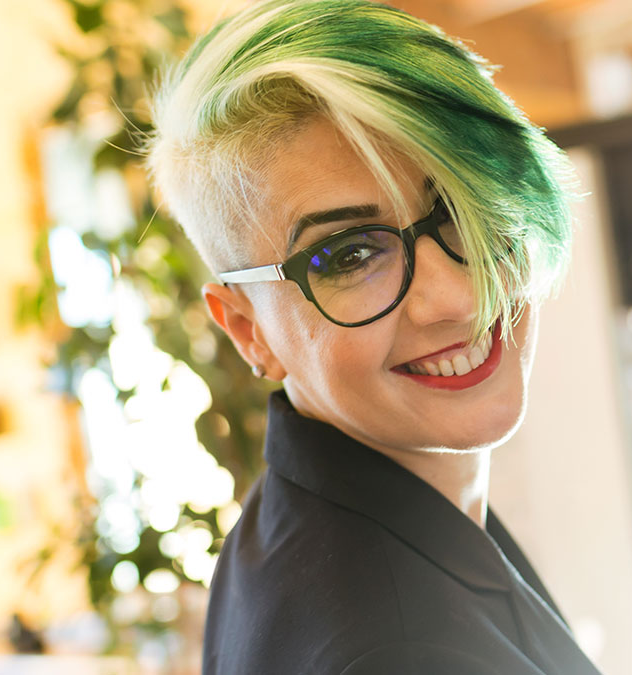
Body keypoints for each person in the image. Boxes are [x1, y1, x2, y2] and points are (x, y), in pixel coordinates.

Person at [147, 2, 600, 673]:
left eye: (463, 204)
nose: (456, 298)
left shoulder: (298, 526)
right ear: (249, 330)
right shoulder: (402, 651)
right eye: (350, 255)